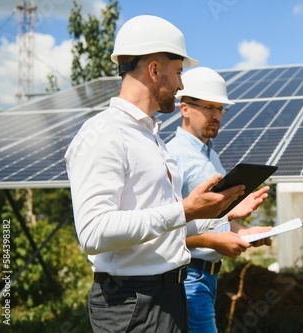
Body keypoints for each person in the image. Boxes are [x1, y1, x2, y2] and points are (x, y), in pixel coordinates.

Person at [64, 16, 247, 333]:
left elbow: (164, 222)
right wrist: (185, 209)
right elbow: (93, 232)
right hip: (133, 302)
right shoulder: (103, 134)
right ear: (153, 70)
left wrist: (217, 210)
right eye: (178, 73)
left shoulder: (152, 138)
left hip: (168, 295)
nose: (180, 86)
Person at [166, 67, 273, 333]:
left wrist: (244, 233)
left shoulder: (210, 156)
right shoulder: (172, 157)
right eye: (208, 108)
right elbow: (164, 228)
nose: (216, 116)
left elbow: (213, 220)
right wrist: (214, 240)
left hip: (208, 276)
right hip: (187, 275)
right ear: (185, 108)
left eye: (220, 109)